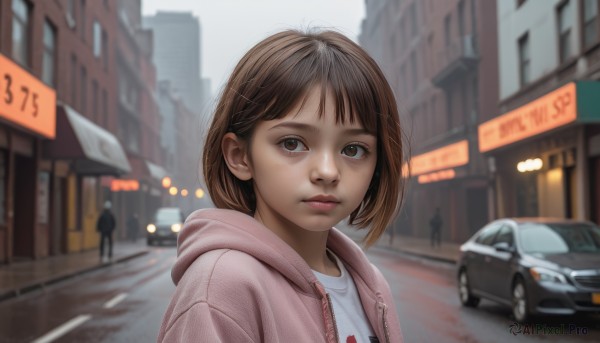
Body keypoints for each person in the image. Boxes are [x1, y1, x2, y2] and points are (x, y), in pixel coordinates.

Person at [157, 29, 406, 342]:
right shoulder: (222, 288)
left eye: (353, 149)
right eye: (292, 143)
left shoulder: (373, 285)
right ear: (240, 156)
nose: (328, 172)